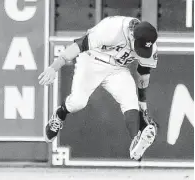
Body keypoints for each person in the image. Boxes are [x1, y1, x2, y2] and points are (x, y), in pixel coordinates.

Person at [38, 16, 159, 161]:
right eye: (139, 46)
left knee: (130, 101)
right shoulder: (112, 29)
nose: (142, 51)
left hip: (117, 68)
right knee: (77, 103)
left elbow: (143, 75)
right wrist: (54, 67)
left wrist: (143, 104)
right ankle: (60, 113)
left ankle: (136, 140)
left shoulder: (148, 46)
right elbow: (78, 45)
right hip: (91, 60)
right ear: (131, 34)